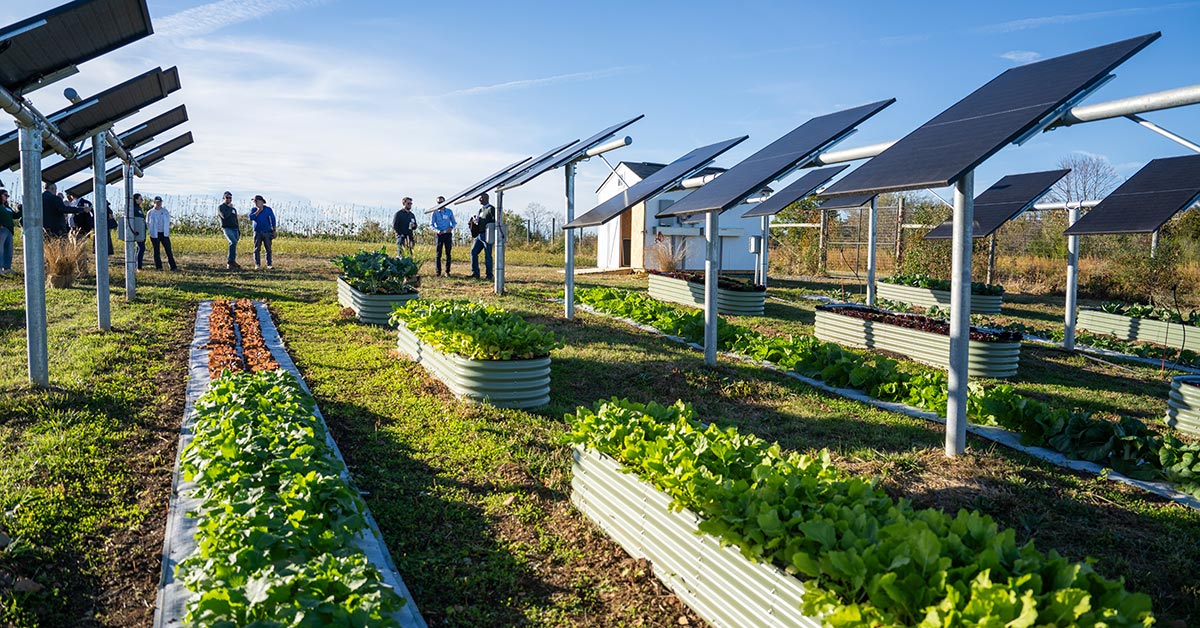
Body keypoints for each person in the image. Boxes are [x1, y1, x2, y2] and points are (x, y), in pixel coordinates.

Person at [146, 196, 178, 271]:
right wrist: (151, 231)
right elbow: (147, 223)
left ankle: (173, 266)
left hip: (164, 234)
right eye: (157, 202)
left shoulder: (165, 211)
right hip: (155, 234)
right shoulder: (150, 212)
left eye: (160, 202)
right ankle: (159, 267)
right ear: (154, 203)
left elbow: (168, 221)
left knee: (168, 250)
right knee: (156, 251)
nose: (159, 204)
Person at [470, 192, 495, 280]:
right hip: (479, 235)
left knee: (488, 254)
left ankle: (489, 275)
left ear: (486, 198)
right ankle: (475, 273)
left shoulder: (491, 209)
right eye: (479, 198)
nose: (479, 200)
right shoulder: (481, 210)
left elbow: (494, 221)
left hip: (487, 234)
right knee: (473, 252)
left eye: (481, 198)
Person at [431, 195, 456, 276]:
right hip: (440, 234)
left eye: (441, 202)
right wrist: (437, 230)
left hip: (448, 234)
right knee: (438, 254)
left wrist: (451, 227)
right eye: (439, 202)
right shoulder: (435, 212)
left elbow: (454, 222)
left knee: (448, 253)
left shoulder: (449, 211)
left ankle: (447, 272)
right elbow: (431, 224)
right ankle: (438, 272)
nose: (440, 204)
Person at [249, 194, 276, 269]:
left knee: (268, 249)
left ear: (262, 202)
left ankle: (269, 264)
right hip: (257, 232)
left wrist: (274, 230)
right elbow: (251, 217)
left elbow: (273, 219)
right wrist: (258, 211)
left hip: (267, 232)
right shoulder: (253, 210)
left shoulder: (268, 209)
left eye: (257, 201)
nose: (255, 203)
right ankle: (257, 264)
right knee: (257, 249)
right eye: (255, 201)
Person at [218, 191, 241, 269]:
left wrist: (238, 230)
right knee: (232, 242)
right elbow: (224, 216)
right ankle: (230, 262)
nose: (229, 199)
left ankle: (232, 261)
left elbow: (235, 219)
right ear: (224, 198)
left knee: (234, 243)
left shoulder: (234, 209)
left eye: (230, 198)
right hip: (227, 228)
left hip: (235, 228)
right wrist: (230, 208)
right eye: (227, 197)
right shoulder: (221, 207)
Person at [0, 189, 20, 274]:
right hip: (2, 229)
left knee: (8, 249)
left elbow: (15, 216)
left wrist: (21, 210)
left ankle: (7, 268)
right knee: (1, 249)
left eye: (8, 196)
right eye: (5, 195)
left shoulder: (7, 207)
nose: (7, 197)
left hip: (9, 230)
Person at [131, 193, 147, 269]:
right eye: (140, 199)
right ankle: (138, 266)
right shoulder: (133, 209)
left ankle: (136, 265)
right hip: (137, 231)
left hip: (141, 230)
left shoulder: (139, 208)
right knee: (141, 248)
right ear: (136, 199)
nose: (142, 200)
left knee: (139, 248)